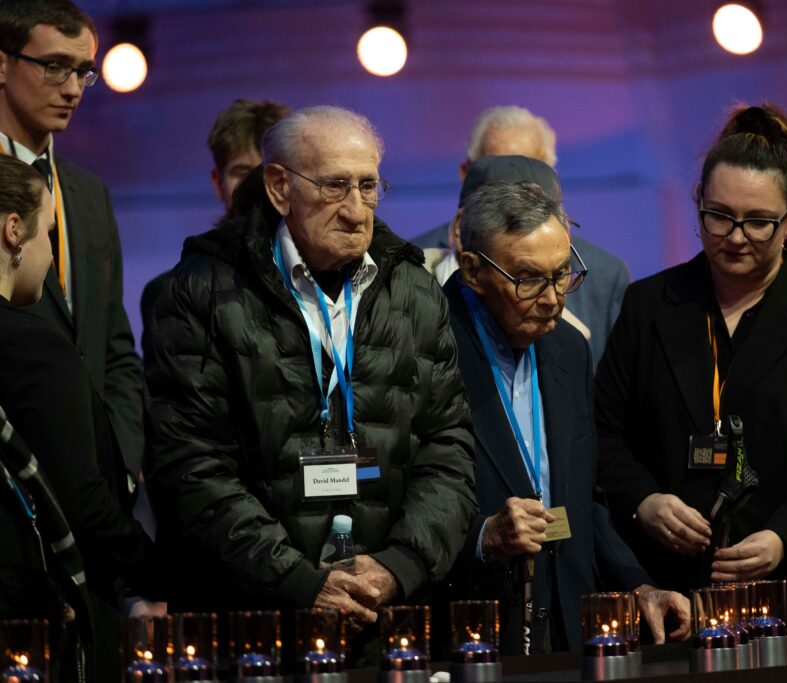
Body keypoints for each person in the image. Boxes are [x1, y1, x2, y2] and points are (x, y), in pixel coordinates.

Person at [144, 106, 476, 660]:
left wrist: (399, 566)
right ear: (279, 188)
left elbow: (450, 447)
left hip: (387, 615)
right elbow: (190, 466)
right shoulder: (199, 291)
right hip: (249, 625)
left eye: (368, 186)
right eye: (334, 186)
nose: (355, 210)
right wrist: (300, 581)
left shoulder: (414, 290)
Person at [595, 103, 787, 639]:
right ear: (697, 202)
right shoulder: (648, 305)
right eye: (719, 216)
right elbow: (606, 432)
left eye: (758, 222)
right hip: (677, 590)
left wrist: (784, 539)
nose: (735, 237)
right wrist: (643, 500)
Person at [442, 175, 689, 655]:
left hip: (567, 630)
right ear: (473, 271)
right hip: (475, 626)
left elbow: (586, 501)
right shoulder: (429, 347)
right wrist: (482, 536)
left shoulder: (570, 348)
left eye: (563, 274)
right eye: (529, 278)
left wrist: (639, 585)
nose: (554, 297)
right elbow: (401, 503)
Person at [0, 154, 160, 680]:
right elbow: (85, 504)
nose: (48, 256)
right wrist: (165, 577)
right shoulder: (36, 348)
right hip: (49, 617)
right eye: (47, 233)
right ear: (13, 231)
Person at [0, 0, 144, 478]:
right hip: (16, 471)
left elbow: (114, 341)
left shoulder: (87, 192)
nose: (72, 89)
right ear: (2, 63)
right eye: (54, 66)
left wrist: (122, 454)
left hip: (98, 476)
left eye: (82, 71)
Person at [410, 105, 630, 364]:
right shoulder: (409, 269)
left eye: (532, 177)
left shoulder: (604, 276)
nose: (516, 199)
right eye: (499, 179)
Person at [140, 98, 291, 356]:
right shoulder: (172, 292)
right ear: (217, 182)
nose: (256, 185)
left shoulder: (322, 284)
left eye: (267, 173)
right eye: (243, 173)